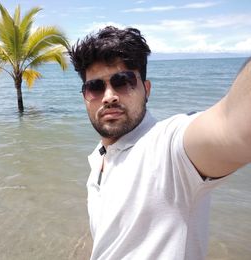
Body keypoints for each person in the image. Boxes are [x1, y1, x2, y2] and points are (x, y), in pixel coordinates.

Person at [68, 26, 251, 260]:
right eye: (95, 87)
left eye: (122, 81)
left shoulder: (167, 148)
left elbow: (233, 126)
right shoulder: (100, 157)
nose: (109, 95)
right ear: (85, 96)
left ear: (146, 89)